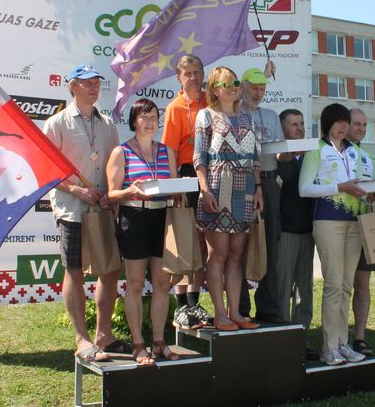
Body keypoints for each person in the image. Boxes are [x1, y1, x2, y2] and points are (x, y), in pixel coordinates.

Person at [43, 64, 124, 363]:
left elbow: (115, 164)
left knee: (110, 270)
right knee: (74, 271)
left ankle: (104, 335)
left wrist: (112, 194)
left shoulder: (108, 124)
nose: (94, 88)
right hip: (72, 209)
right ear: (72, 86)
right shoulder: (56, 123)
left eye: (96, 83)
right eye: (87, 83)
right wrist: (76, 190)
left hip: (102, 208)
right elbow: (46, 171)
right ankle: (82, 340)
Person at [299, 103, 375, 366]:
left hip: (354, 223)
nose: (344, 127)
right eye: (338, 122)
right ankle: (329, 347)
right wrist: (339, 187)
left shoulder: (356, 152)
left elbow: (361, 188)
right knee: (333, 285)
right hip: (327, 221)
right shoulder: (316, 150)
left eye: (346, 122)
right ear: (327, 124)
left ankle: (342, 343)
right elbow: (304, 189)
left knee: (345, 286)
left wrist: (373, 194)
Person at [106, 98, 179, 364]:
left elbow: (173, 187)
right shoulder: (121, 152)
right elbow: (111, 194)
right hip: (134, 216)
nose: (150, 122)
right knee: (135, 283)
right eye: (144, 117)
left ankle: (159, 341)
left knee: (162, 283)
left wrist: (180, 190)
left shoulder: (167, 151)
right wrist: (130, 191)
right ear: (134, 121)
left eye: (154, 117)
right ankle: (138, 344)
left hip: (162, 217)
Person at [194, 66, 264, 331]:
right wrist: (204, 190)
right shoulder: (206, 115)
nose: (234, 88)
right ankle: (220, 314)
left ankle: (235, 312)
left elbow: (254, 157)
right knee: (219, 254)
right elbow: (199, 157)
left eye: (236, 83)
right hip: (217, 186)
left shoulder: (247, 117)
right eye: (227, 84)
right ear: (214, 89)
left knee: (236, 254)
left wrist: (258, 187)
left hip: (244, 188)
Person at [161, 54, 212, 330]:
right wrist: (174, 186)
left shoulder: (211, 101)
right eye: (187, 73)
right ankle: (181, 306)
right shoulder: (175, 107)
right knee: (183, 239)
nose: (193, 77)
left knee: (204, 241)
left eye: (196, 72)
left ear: (203, 74)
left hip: (212, 173)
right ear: (179, 78)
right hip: (186, 174)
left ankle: (194, 301)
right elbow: (169, 149)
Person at [239, 65, 286, 323]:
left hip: (268, 181)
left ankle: (268, 308)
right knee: (239, 246)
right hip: (241, 183)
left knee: (270, 245)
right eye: (254, 88)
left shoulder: (271, 115)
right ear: (243, 88)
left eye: (262, 88)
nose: (258, 93)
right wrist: (264, 74)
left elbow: (278, 152)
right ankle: (240, 309)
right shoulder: (234, 113)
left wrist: (288, 154)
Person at [275, 109, 317, 358]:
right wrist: (284, 159)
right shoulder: (276, 159)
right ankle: (281, 342)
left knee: (305, 291)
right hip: (286, 233)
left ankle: (301, 340)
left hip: (308, 232)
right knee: (283, 289)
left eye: (302, 124)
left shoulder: (310, 157)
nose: (299, 128)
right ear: (283, 128)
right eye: (294, 124)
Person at [345, 108, 375, 356]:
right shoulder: (334, 153)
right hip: (340, 225)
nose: (361, 128)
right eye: (356, 124)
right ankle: (337, 337)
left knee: (362, 284)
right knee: (341, 285)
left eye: (364, 125)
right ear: (344, 125)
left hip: (365, 225)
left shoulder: (369, 158)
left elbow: (372, 196)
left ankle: (359, 338)